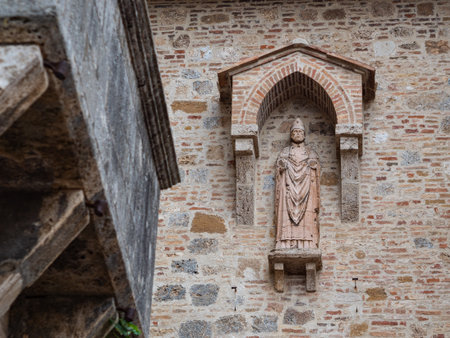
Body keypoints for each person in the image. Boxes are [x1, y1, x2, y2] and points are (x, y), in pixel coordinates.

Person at [275, 118, 320, 249]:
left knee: (308, 213)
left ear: (304, 135)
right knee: (284, 212)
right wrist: (281, 167)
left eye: (300, 132)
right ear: (291, 135)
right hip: (288, 188)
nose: (297, 134)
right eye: (295, 132)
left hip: (306, 188)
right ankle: (285, 243)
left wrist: (313, 166)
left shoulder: (311, 153)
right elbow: (279, 169)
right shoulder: (284, 152)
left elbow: (316, 169)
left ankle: (307, 243)